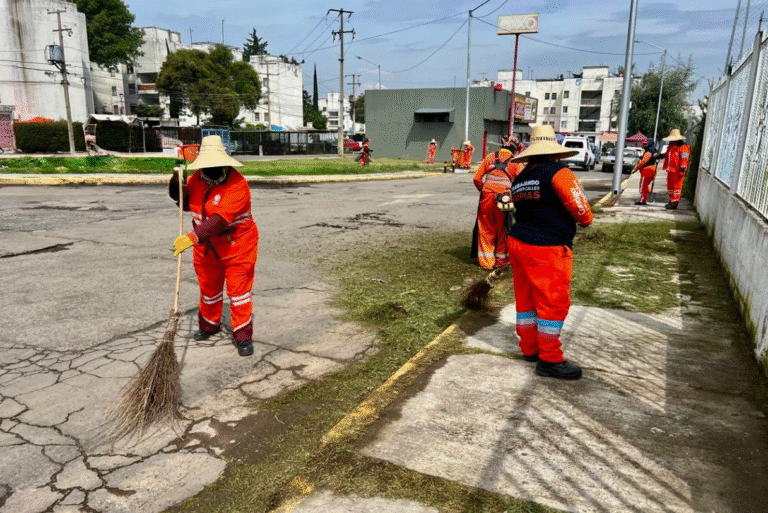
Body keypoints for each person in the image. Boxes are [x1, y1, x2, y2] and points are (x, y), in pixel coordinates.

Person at [506, 125, 594, 380]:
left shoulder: (521, 176)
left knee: (527, 300)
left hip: (518, 244)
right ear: (554, 151)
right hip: (547, 248)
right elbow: (581, 209)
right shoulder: (560, 172)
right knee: (552, 302)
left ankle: (529, 348)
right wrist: (587, 220)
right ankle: (549, 359)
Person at [169, 135, 259, 357]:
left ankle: (242, 336)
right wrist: (176, 177)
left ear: (225, 164)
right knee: (209, 290)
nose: (210, 171)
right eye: (206, 167)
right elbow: (181, 198)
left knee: (239, 294)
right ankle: (209, 325)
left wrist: (190, 238)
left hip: (238, 246)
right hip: (206, 248)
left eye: (216, 166)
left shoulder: (238, 185)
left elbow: (217, 222)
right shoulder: (198, 178)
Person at [472, 137, 524, 269]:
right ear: (516, 149)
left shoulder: (490, 157)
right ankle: (501, 261)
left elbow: (476, 178)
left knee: (486, 228)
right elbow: (521, 182)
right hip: (506, 197)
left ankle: (486, 263)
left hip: (487, 197)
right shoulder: (516, 162)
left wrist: (483, 190)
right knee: (504, 228)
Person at [661, 129, 690, 210]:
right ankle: (671, 200)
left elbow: (685, 159)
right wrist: (660, 156)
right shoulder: (671, 146)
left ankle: (674, 202)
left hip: (678, 171)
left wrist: (682, 170)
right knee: (670, 187)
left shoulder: (683, 147)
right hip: (671, 170)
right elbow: (668, 155)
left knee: (677, 187)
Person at [633, 138, 659, 205]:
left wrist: (636, 168)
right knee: (646, 185)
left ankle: (642, 201)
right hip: (652, 169)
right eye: (644, 144)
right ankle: (647, 196)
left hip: (647, 170)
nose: (644, 145)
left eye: (645, 144)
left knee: (642, 187)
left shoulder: (648, 152)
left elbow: (643, 162)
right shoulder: (654, 151)